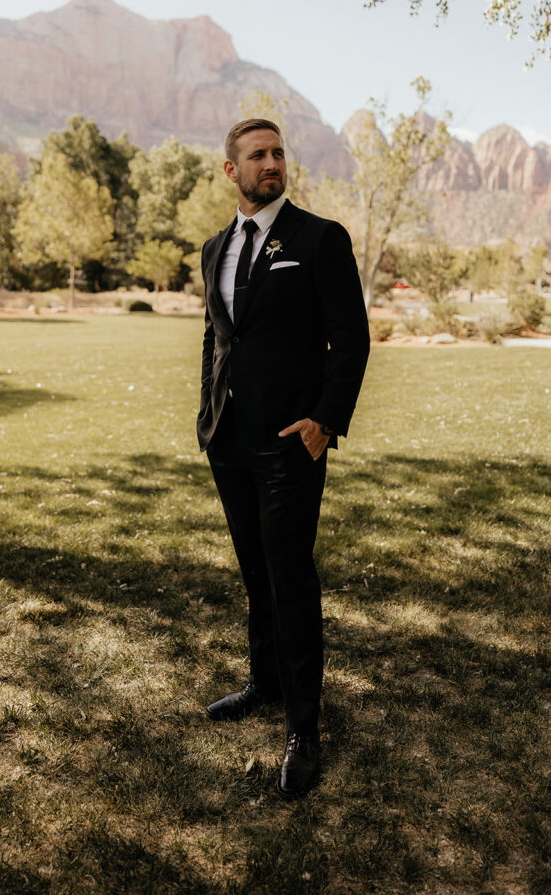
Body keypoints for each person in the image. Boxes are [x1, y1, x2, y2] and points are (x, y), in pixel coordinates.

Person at [197, 118, 370, 799]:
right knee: (254, 572)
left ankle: (304, 726)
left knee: (289, 576)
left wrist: (326, 421)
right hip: (230, 440)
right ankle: (264, 685)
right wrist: (207, 418)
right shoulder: (215, 247)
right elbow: (216, 339)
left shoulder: (319, 239)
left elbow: (350, 340)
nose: (271, 163)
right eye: (257, 155)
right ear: (229, 170)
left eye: (277, 153)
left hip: (291, 441)